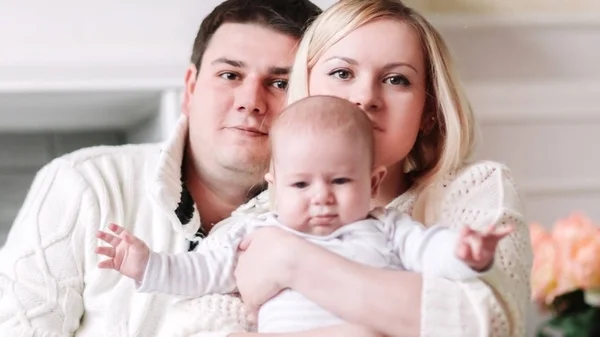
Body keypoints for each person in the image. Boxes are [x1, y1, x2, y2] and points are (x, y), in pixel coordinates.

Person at [0, 0, 322, 336]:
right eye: (230, 75)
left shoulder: (330, 225)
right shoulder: (83, 182)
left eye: (281, 83)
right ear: (191, 88)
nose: (250, 101)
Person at [224, 1, 533, 337]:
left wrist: (290, 262)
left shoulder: (475, 189)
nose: (365, 96)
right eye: (342, 73)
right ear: (305, 88)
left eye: (396, 79)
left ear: (428, 110)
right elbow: (191, 324)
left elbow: (484, 325)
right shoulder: (256, 218)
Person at [94, 95, 514, 334]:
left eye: (340, 182)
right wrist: (146, 265)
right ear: (274, 183)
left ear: (371, 182)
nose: (321, 198)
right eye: (301, 185)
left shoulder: (388, 228)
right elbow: (200, 272)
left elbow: (432, 253)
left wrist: (465, 251)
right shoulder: (253, 231)